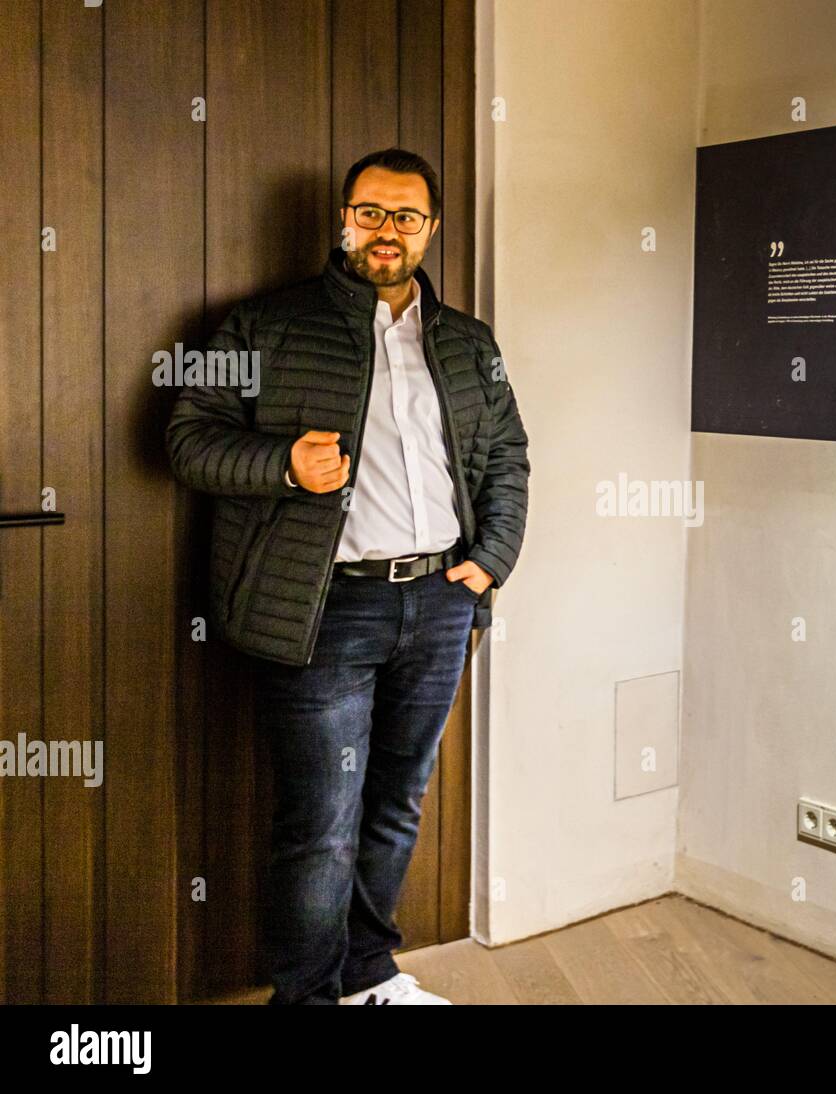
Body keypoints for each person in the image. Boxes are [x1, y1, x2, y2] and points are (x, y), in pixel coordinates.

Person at [166, 147, 530, 1004]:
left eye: (406, 217)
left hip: (442, 603)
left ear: (431, 229)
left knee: (396, 806)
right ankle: (308, 996)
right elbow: (187, 437)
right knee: (322, 824)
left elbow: (507, 455)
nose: (387, 232)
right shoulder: (267, 326)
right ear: (344, 218)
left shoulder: (470, 342)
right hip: (323, 609)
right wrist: (285, 464)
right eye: (370, 213)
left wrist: (491, 562)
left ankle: (370, 975)